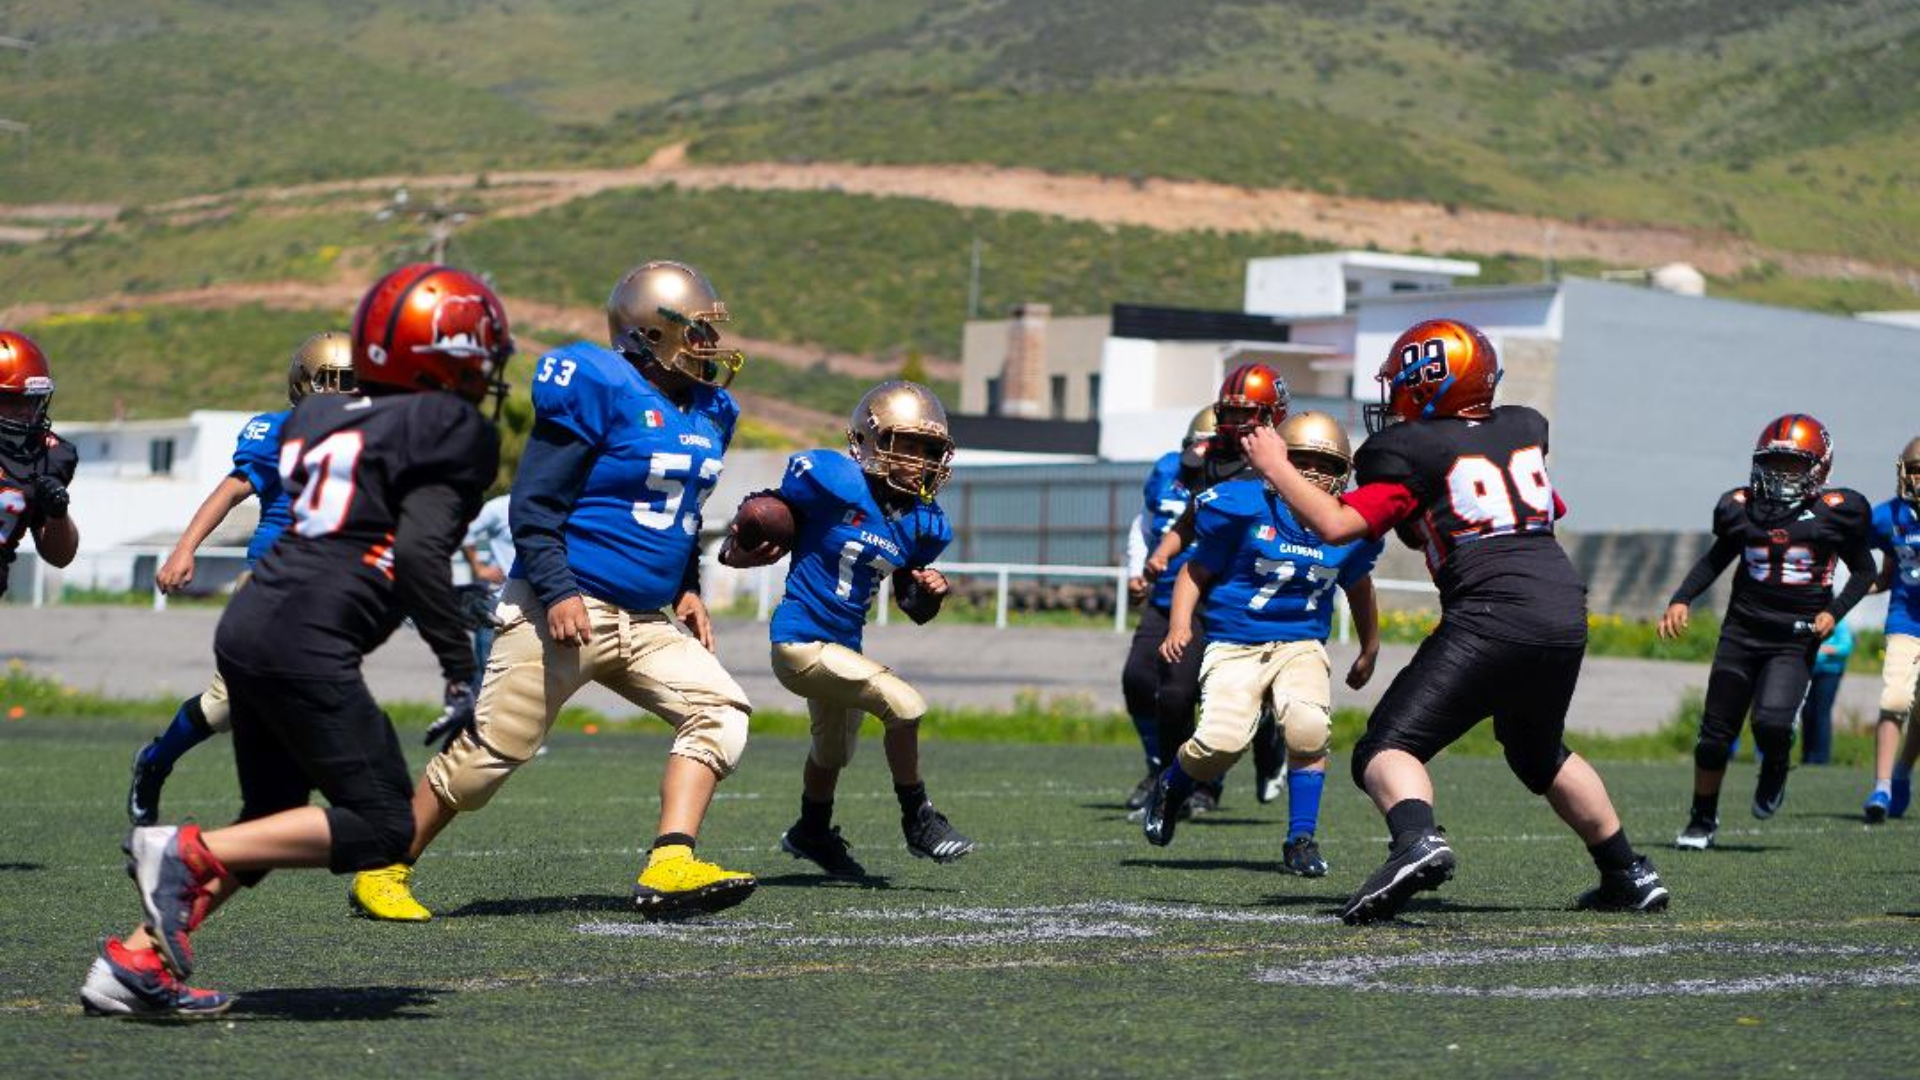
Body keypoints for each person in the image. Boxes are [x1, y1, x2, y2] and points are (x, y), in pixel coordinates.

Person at [80, 264, 512, 1017]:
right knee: (384, 824)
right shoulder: (452, 430)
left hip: (250, 627)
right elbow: (415, 554)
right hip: (305, 642)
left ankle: (132, 963)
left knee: (270, 815)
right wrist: (457, 669)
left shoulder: (316, 418)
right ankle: (179, 851)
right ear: (447, 355)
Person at [348, 260, 758, 923]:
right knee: (487, 758)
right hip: (565, 605)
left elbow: (682, 517)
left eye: (712, 334)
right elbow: (533, 507)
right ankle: (385, 866)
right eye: (697, 333)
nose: (710, 347)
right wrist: (559, 589)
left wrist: (689, 588)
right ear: (651, 332)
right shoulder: (599, 384)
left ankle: (671, 860)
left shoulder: (713, 408)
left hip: (647, 618)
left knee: (721, 711)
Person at [1250, 317, 1668, 922]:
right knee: (1536, 750)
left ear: (1426, 383)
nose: (1391, 397)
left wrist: (1277, 467)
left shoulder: (1409, 450)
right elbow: (1542, 507)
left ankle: (1416, 840)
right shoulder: (1522, 430)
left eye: (1399, 382)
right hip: (1563, 610)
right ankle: (1627, 872)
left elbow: (1337, 525)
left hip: (1493, 613)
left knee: (1384, 748)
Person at [724, 381, 966, 877]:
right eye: (907, 445)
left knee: (832, 752)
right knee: (904, 705)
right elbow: (766, 510)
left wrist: (929, 592)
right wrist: (739, 545)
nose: (920, 460)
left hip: (843, 648)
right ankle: (918, 819)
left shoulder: (922, 522)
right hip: (800, 641)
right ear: (868, 442)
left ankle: (810, 830)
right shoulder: (833, 481)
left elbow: (911, 606)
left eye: (929, 449)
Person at [126, 332, 357, 825]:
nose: (342, 394)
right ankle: (155, 761)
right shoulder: (278, 431)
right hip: (271, 581)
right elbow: (232, 491)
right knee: (224, 707)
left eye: (351, 382)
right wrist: (186, 548)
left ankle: (328, 796)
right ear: (304, 385)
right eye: (331, 382)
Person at [1149, 412, 1382, 878]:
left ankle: (1300, 839)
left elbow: (1359, 586)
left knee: (1308, 728)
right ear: (1278, 460)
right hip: (1235, 642)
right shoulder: (1244, 505)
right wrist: (1179, 625)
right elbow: (1196, 571)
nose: (1314, 473)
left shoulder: (1346, 523)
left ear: (1344, 473)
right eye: (1303, 461)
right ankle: (1172, 786)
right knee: (1220, 743)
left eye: (1325, 464)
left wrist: (1369, 647)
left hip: (1301, 644)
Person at [1660, 414, 1875, 847]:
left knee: (1772, 724)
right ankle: (1702, 820)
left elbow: (1865, 570)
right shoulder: (1742, 508)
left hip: (1794, 636)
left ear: (1820, 468)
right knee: (1715, 735)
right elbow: (1715, 559)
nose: (1780, 475)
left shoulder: (1837, 513)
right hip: (1741, 632)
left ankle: (1775, 764)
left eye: (1793, 466)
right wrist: (1682, 597)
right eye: (1773, 464)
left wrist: (1835, 611)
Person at [1141, 366, 1291, 818]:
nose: (1233, 423)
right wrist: (1162, 553)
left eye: (1246, 414)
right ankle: (1172, 784)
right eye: (1229, 412)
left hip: (1259, 593)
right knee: (1174, 694)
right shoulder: (1205, 460)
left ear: (1272, 414)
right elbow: (1189, 519)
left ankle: (1269, 745)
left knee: (1257, 701)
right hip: (1205, 588)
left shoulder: (1287, 462)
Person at [1118, 407, 1211, 809]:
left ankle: (1201, 781)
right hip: (1164, 597)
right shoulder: (1168, 472)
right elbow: (1145, 523)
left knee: (1186, 692)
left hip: (1214, 602)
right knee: (1137, 679)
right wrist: (1138, 570)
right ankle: (1160, 766)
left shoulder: (1242, 480)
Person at [0, 330, 79, 603]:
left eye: (31, 399)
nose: (25, 411)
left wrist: (58, 513)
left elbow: (60, 556)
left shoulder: (50, 455)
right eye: (12, 400)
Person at [1865, 437, 1920, 821]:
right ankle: (1882, 787)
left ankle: (1902, 770)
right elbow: (1879, 571)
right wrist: (1852, 590)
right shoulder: (1886, 516)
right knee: (1896, 699)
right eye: (1915, 468)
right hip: (1905, 620)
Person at [1800, 619, 1851, 766]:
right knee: (1807, 712)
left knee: (1821, 713)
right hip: (1809, 671)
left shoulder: (1839, 621)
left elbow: (1846, 646)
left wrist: (1825, 649)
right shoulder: (1809, 620)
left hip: (1830, 673)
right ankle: (1807, 756)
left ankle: (1821, 758)